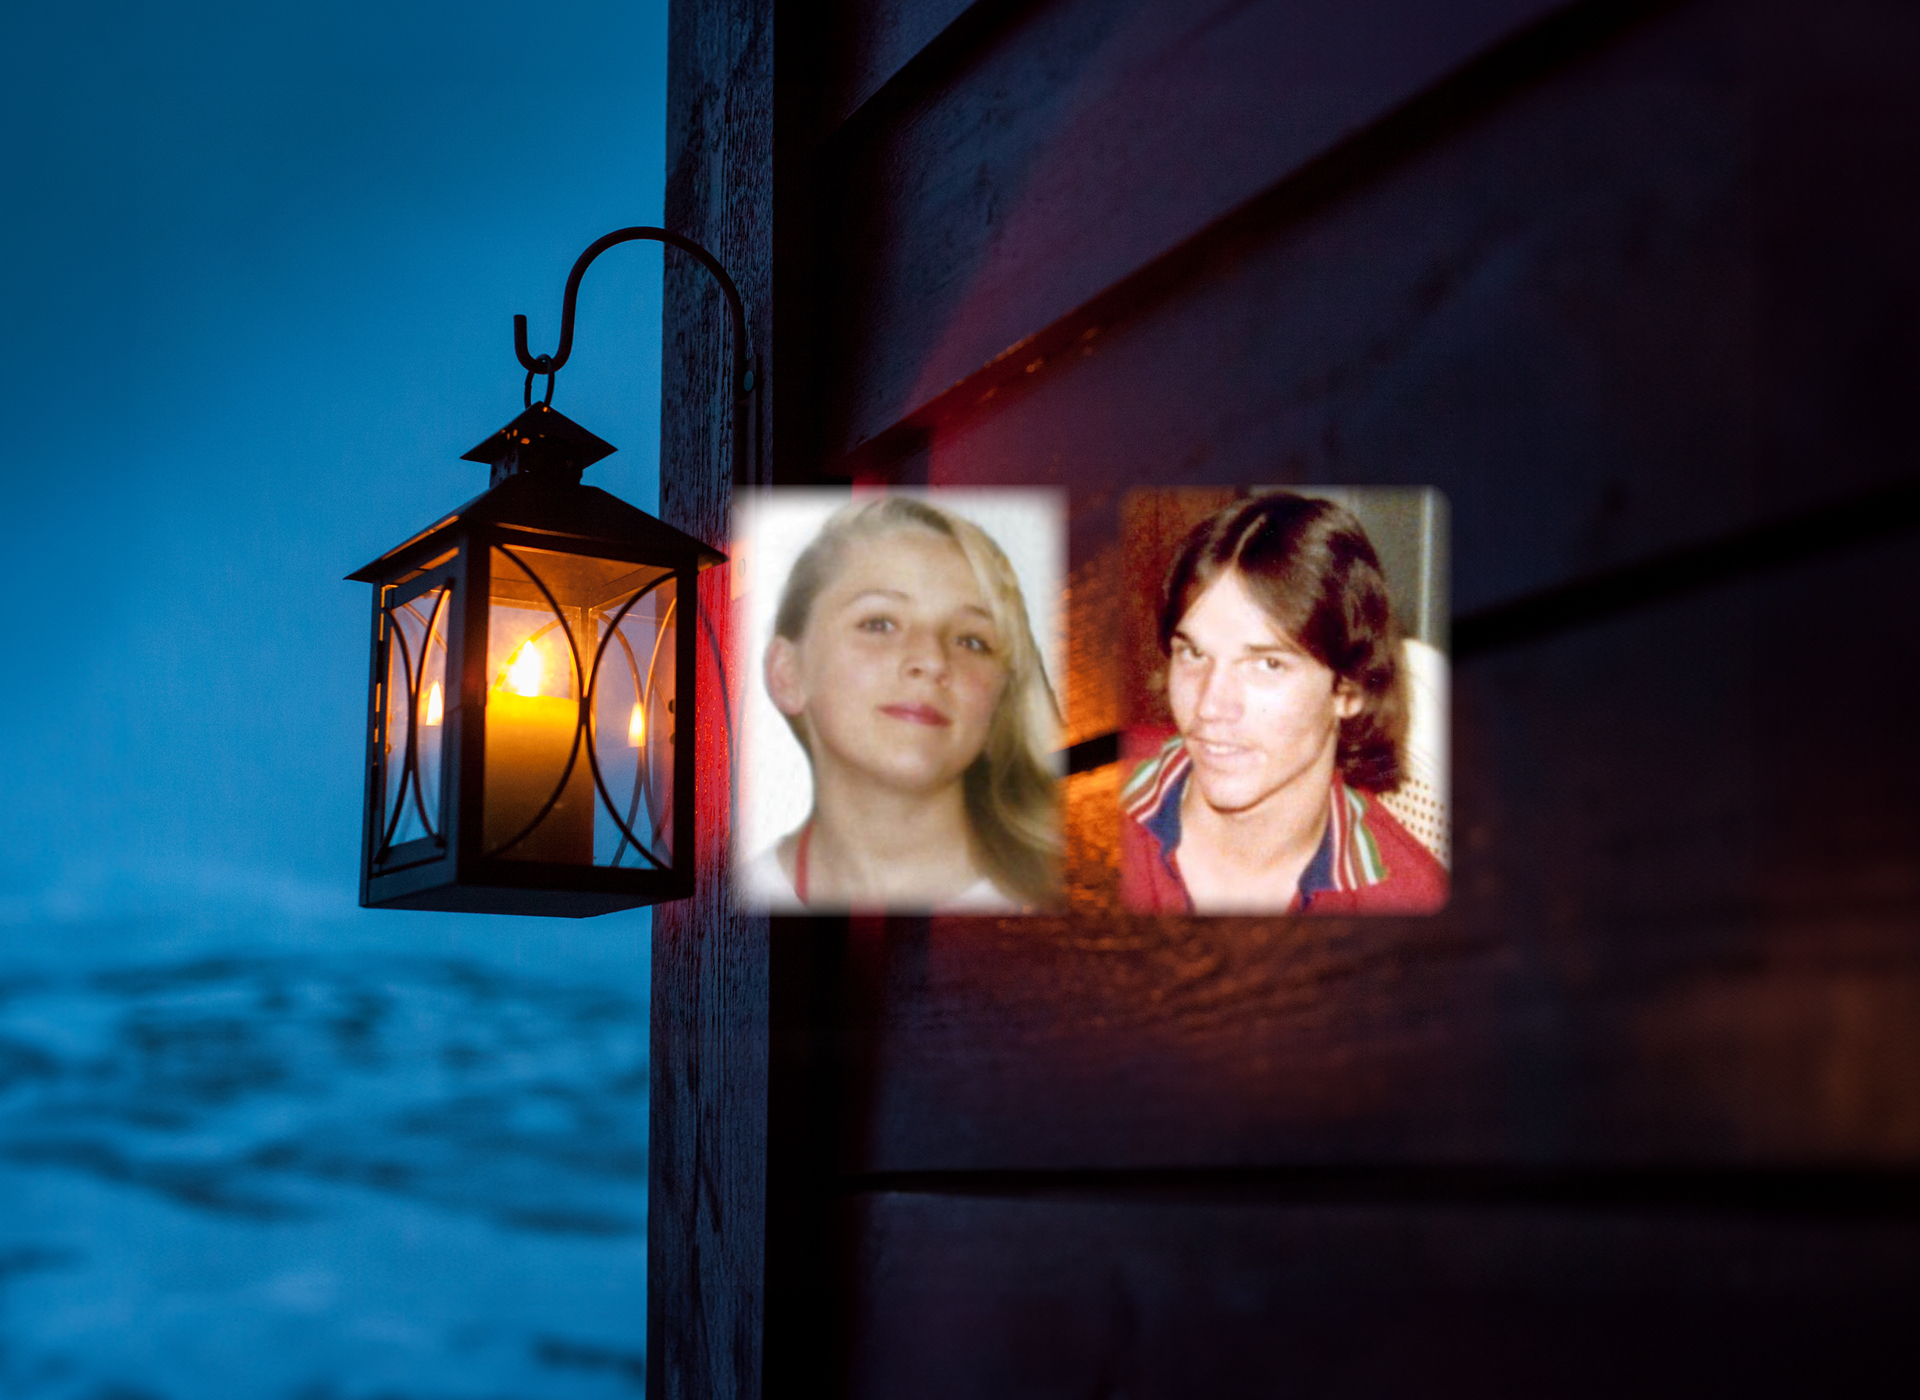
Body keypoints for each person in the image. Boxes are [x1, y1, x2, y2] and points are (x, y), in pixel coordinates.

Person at [1121, 492, 1447, 915]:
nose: (1209, 707)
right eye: (1194, 654)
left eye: (1267, 664)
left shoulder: (1409, 899)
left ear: (1349, 692)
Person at [741, 495, 1061, 911]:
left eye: (971, 640)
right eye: (879, 624)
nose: (931, 661)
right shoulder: (715, 920)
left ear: (1001, 701)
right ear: (787, 673)